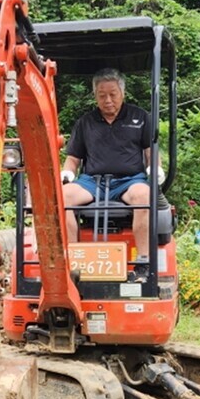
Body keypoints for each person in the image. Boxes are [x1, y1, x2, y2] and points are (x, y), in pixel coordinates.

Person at [60, 67, 162, 278]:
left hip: (129, 181)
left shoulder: (140, 117)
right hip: (93, 182)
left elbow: (151, 152)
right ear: (95, 96)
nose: (108, 100)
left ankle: (143, 261)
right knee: (62, 197)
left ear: (122, 93)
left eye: (112, 94)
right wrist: (67, 174)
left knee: (145, 195)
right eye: (102, 95)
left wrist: (156, 168)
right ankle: (74, 260)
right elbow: (73, 159)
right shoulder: (85, 122)